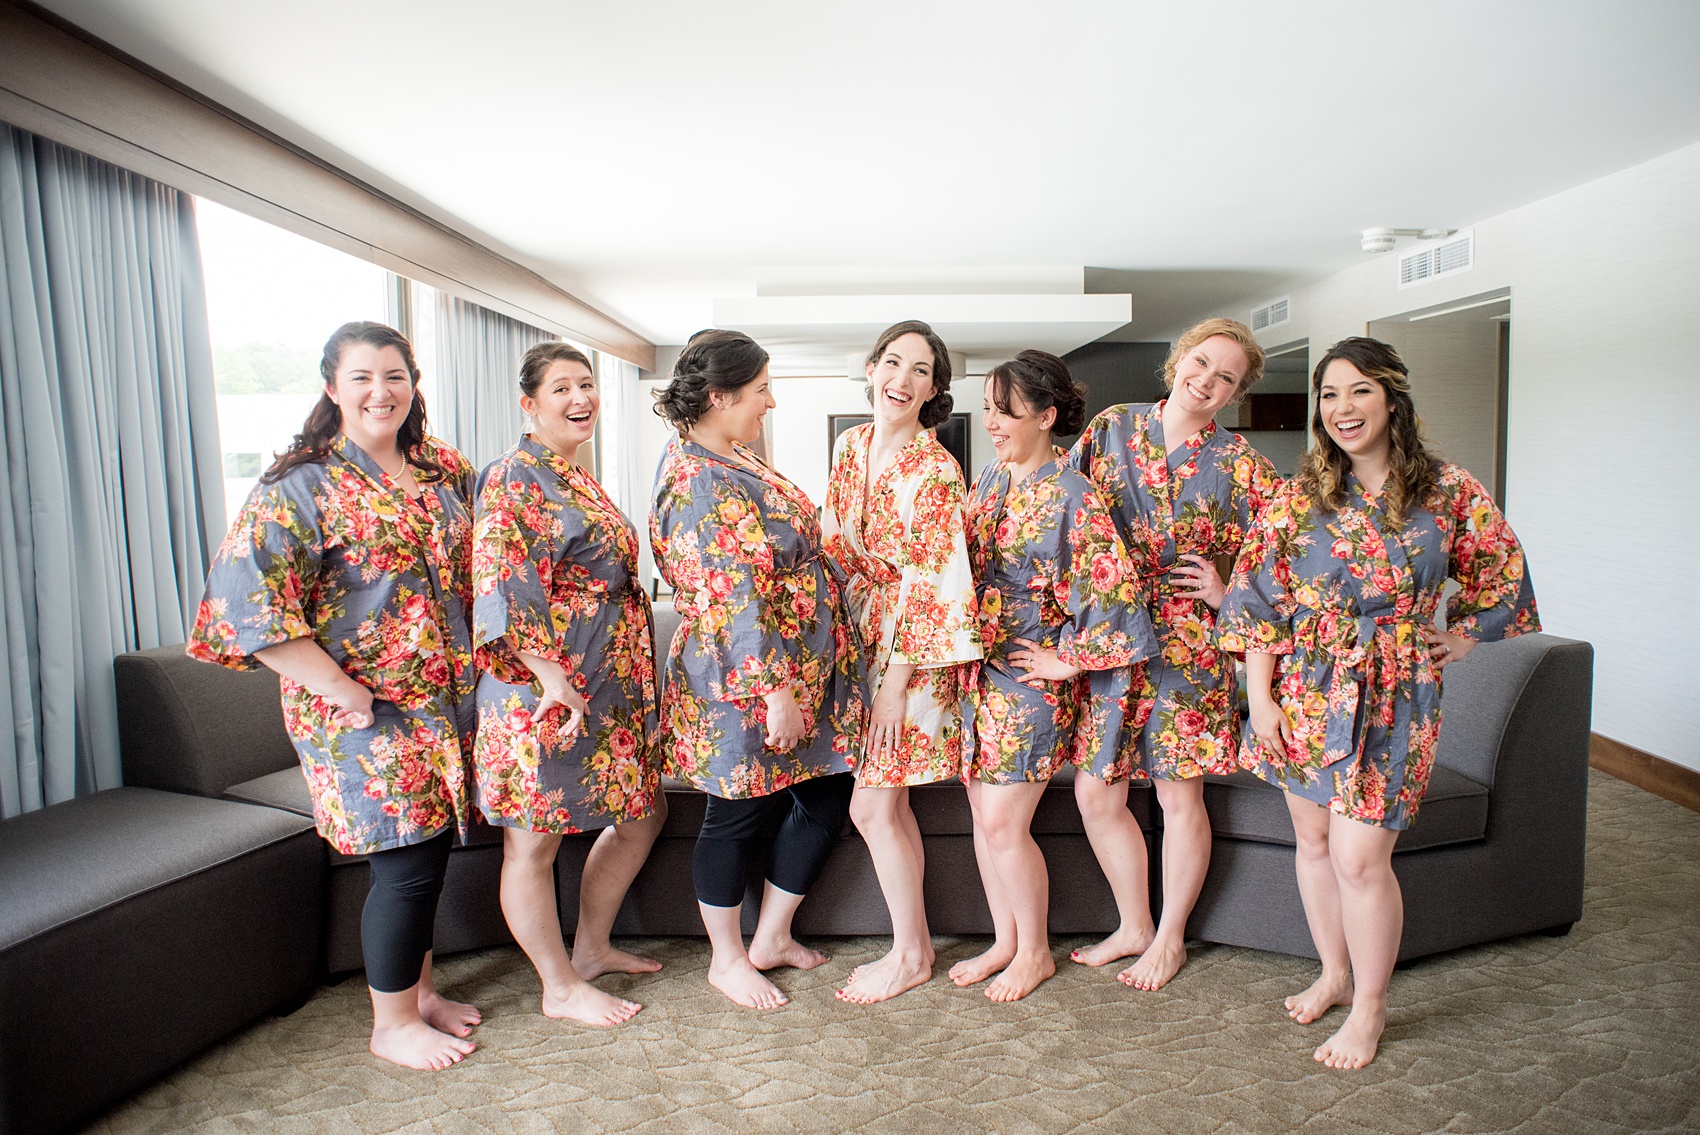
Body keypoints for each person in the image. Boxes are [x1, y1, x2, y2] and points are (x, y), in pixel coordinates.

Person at [1218, 336, 1540, 1069]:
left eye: (1358, 390)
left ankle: (1370, 1006)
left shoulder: (1449, 491)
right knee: (1315, 841)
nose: (1341, 408)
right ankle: (1334, 970)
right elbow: (1258, 600)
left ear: (1392, 397)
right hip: (1303, 686)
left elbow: (1502, 575)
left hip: (1396, 690)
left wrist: (1460, 636)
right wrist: (1259, 697)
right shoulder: (1300, 496)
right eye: (1329, 395)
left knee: (1362, 857)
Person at [188, 321, 481, 1071]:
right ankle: (391, 1024)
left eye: (395, 375)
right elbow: (244, 610)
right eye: (362, 377)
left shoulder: (441, 467)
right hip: (357, 709)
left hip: (442, 702)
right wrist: (341, 686)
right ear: (332, 388)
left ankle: (417, 995)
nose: (381, 391)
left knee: (427, 849)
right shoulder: (300, 482)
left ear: (413, 384)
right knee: (403, 856)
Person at [649, 328, 867, 1010]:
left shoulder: (735, 455)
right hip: (742, 680)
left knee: (828, 796)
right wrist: (775, 692)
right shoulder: (698, 482)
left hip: (804, 668)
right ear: (720, 397)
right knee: (736, 812)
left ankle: (771, 935)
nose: (769, 402)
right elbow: (730, 596)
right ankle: (726, 957)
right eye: (762, 389)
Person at [1065, 317, 1281, 991]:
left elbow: (1282, 556)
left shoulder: (1243, 464)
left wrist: (1227, 591)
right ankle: (1132, 922)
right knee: (1095, 792)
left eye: (1227, 377)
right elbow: (1064, 512)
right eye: (1202, 362)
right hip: (1113, 637)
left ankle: (1169, 936)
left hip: (1190, 648)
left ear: (1236, 392)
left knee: (1178, 796)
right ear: (1178, 358)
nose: (1208, 381)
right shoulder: (1111, 429)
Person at [953, 350, 1159, 1002]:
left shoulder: (1073, 494)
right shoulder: (990, 479)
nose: (992, 421)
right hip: (979, 675)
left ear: (1045, 415)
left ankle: (1035, 951)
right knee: (985, 820)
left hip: (1028, 683)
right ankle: (1005, 940)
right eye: (987, 407)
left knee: (1006, 824)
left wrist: (1065, 658)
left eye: (1005, 409)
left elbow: (1114, 595)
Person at [471, 342, 667, 1027]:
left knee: (644, 812)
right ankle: (557, 985)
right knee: (532, 840)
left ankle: (590, 948)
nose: (581, 397)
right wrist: (553, 678)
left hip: (606, 678)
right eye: (562, 388)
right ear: (529, 404)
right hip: (544, 685)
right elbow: (504, 584)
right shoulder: (514, 477)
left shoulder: (576, 474)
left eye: (587, 383)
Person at [822, 321, 980, 1005]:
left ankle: (911, 952)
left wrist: (894, 686)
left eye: (921, 370)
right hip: (859, 634)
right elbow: (832, 541)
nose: (903, 378)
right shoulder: (850, 445)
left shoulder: (937, 469)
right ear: (870, 368)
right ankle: (914, 944)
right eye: (894, 362)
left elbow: (934, 581)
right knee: (891, 810)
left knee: (872, 809)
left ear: (935, 389)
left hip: (911, 653)